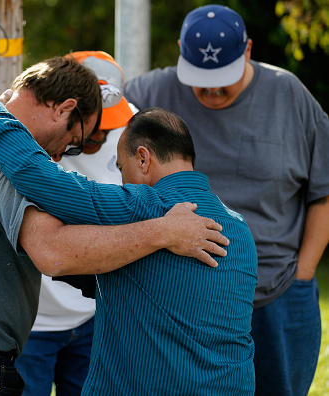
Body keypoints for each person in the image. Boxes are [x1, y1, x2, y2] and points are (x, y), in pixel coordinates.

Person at [0, 56, 228, 396]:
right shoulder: (10, 159)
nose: (61, 156)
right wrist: (164, 232)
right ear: (63, 109)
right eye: (75, 141)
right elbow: (53, 253)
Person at [0, 97, 257, 393]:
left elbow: (37, 175)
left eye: (120, 166)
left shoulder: (141, 207)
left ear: (143, 158)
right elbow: (157, 288)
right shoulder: (241, 230)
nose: (121, 178)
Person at [123, 4, 329, 395]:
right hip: (182, 297)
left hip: (278, 295)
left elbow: (325, 189)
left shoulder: (288, 93)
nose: (212, 90)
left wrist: (304, 273)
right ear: (182, 54)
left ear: (248, 51)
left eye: (223, 79)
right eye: (201, 81)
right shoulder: (150, 94)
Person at [14, 51, 135, 396]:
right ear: (64, 109)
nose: (98, 134)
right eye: (90, 124)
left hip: (93, 318)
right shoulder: (28, 136)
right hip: (30, 322)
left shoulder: (135, 130)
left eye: (109, 122)